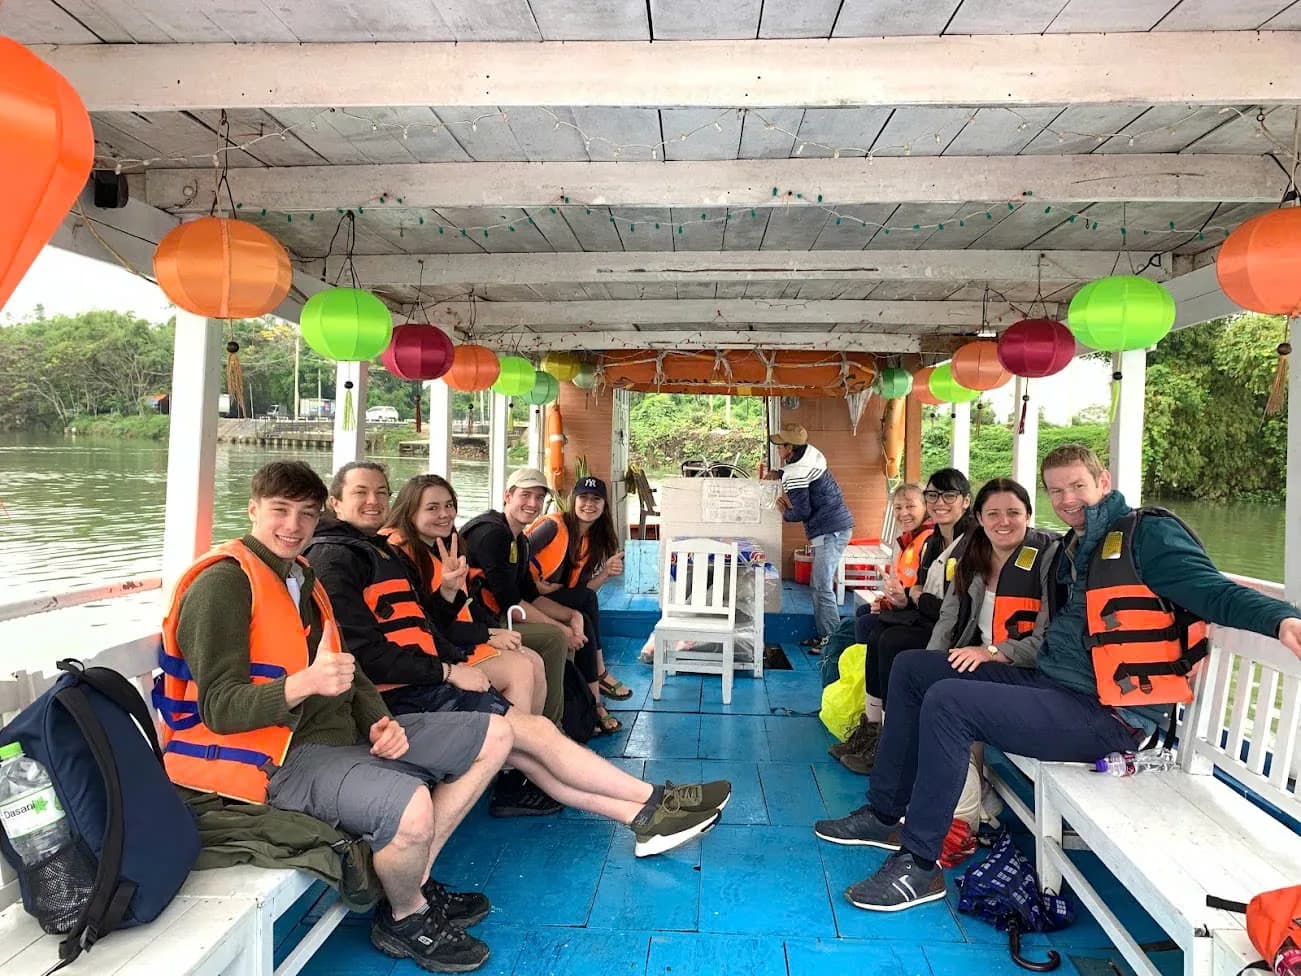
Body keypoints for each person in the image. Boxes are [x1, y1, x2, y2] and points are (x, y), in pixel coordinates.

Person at [813, 444, 1301, 913]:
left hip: (1112, 715)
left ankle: (920, 865)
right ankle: (885, 814)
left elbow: (1213, 590)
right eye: (1057, 490)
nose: (1068, 500)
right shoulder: (1075, 547)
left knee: (949, 702)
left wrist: (1280, 619)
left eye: (1077, 486)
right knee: (914, 668)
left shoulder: (1147, 535)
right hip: (1056, 687)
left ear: (1103, 482)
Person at [158, 461, 507, 972]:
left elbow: (348, 669)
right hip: (269, 761)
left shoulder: (301, 575)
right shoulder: (223, 585)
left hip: (338, 737)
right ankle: (406, 915)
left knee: (496, 733)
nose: (293, 526)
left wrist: (379, 721)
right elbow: (220, 708)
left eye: (306, 513)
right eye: (280, 511)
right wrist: (304, 684)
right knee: (411, 806)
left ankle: (411, 877)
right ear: (253, 510)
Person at [305, 463, 732, 847]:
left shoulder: (374, 550)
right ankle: (655, 800)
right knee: (535, 736)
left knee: (532, 744)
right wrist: (449, 670)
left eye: (381, 492)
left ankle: (644, 814)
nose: (374, 501)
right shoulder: (336, 557)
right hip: (402, 697)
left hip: (421, 680)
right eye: (361, 493)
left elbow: (423, 626)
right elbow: (364, 655)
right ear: (335, 501)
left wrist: (449, 594)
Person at [832, 468, 972, 772]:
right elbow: (919, 592)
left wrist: (916, 597)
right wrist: (906, 599)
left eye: (949, 495)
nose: (940, 502)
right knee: (877, 634)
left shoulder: (969, 545)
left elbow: (953, 608)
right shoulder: (935, 541)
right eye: (933, 495)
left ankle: (891, 741)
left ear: (966, 501)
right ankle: (873, 728)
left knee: (891, 641)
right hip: (930, 618)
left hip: (957, 632)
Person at [382, 474, 546, 718]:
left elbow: (464, 606)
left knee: (534, 661)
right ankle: (523, 736)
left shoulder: (445, 546)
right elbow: (425, 626)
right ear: (409, 512)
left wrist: (489, 630)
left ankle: (540, 733)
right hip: (426, 657)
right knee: (520, 667)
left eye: (449, 505)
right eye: (432, 508)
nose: (444, 514)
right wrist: (487, 634)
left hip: (452, 640)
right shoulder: (397, 555)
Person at [459, 467, 586, 731]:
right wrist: (562, 630)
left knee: (572, 620)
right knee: (555, 638)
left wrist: (572, 617)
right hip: (481, 625)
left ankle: (571, 710)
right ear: (508, 496)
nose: (533, 503)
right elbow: (511, 603)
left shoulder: (520, 540)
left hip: (500, 617)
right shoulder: (492, 535)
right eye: (525, 495)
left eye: (539, 497)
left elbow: (530, 596)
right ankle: (554, 726)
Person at [527, 475, 629, 734]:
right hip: (525, 599)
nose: (589, 504)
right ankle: (599, 686)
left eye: (596, 499)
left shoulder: (591, 541)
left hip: (551, 600)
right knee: (584, 608)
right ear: (573, 500)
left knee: (585, 608)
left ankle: (594, 702)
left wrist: (605, 573)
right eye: (583, 498)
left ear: (604, 505)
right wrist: (534, 583)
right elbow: (516, 556)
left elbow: (583, 591)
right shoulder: (552, 527)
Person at [769, 422, 854, 647]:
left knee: (822, 587)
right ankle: (826, 634)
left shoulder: (795, 473)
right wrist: (778, 473)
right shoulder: (812, 453)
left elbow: (802, 512)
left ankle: (833, 641)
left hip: (830, 532)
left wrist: (784, 512)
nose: (778, 449)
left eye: (780, 446)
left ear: (790, 448)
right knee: (819, 585)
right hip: (836, 527)